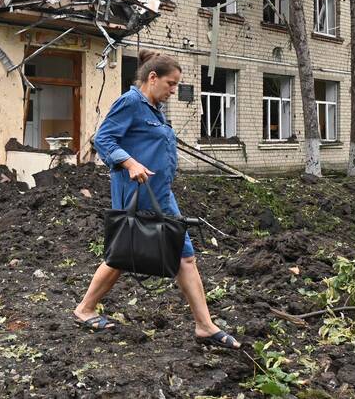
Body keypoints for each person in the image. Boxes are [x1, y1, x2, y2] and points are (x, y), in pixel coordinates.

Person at [73, 50, 241, 349]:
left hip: (160, 193)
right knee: (123, 253)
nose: (174, 91)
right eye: (171, 84)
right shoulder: (131, 102)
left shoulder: (153, 108)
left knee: (184, 254)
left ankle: (204, 325)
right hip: (136, 192)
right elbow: (103, 139)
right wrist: (130, 162)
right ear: (153, 78)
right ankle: (85, 308)